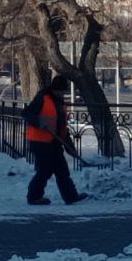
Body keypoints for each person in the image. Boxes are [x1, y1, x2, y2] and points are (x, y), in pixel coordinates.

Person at [23, 75, 87, 206]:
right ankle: (34, 197)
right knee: (45, 170)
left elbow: (62, 128)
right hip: (39, 140)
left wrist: (70, 148)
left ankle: (71, 197)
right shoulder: (42, 98)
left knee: (62, 170)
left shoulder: (61, 103)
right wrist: (40, 122)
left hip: (54, 141)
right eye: (62, 91)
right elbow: (27, 114)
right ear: (55, 89)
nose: (64, 93)